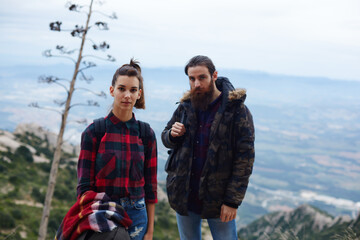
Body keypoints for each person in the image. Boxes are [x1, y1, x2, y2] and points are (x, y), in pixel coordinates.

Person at [162, 55, 255, 240]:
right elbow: (166, 136)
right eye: (192, 78)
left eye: (202, 77)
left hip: (219, 198)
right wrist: (172, 134)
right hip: (185, 193)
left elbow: (244, 159)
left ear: (214, 75)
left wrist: (232, 201)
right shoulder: (186, 106)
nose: (196, 84)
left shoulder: (236, 110)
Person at [76, 59, 158, 240]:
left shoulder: (146, 134)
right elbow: (84, 187)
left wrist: (150, 231)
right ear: (112, 90)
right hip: (103, 212)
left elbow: (151, 189)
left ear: (139, 94)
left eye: (133, 90)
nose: (127, 95)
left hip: (137, 215)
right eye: (122, 89)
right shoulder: (94, 132)